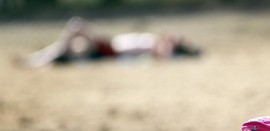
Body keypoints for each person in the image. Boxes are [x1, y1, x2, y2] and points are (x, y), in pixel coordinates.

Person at [20, 16, 201, 68]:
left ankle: (38, 60)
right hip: (110, 44)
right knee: (73, 45)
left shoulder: (162, 47)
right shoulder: (158, 40)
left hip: (111, 49)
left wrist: (172, 44)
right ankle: (39, 59)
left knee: (76, 26)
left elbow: (164, 57)